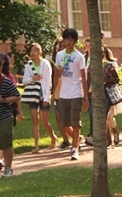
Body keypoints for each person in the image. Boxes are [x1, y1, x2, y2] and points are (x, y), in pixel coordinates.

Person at [55, 29, 89, 160]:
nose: (68, 42)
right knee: (64, 123)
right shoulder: (59, 55)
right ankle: (77, 138)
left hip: (76, 92)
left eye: (70, 39)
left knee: (75, 123)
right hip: (63, 93)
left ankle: (75, 149)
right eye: (66, 39)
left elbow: (83, 78)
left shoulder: (79, 57)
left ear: (75, 41)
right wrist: (59, 71)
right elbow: (57, 75)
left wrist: (85, 97)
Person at [23, 43, 57, 153]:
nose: (32, 53)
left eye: (35, 50)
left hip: (43, 94)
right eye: (31, 51)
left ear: (39, 52)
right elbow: (24, 81)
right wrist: (32, 78)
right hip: (33, 95)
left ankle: (53, 136)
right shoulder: (28, 65)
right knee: (34, 120)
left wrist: (47, 98)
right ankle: (36, 145)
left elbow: (48, 82)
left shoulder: (45, 64)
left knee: (44, 121)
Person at [0, 53, 23, 170]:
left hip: (5, 117)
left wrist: (3, 99)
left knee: (6, 143)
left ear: (0, 67)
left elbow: (17, 96)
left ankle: (8, 168)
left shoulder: (5, 81)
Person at [52, 38, 73, 149]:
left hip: (70, 91)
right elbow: (55, 77)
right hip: (59, 91)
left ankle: (76, 139)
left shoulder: (72, 59)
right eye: (59, 47)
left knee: (67, 118)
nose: (61, 49)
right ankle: (66, 139)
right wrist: (54, 91)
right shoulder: (57, 59)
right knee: (58, 116)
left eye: (63, 46)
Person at [102, 45, 121, 146]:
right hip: (100, 94)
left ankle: (115, 131)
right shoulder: (95, 65)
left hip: (110, 94)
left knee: (109, 116)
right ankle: (108, 140)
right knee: (104, 118)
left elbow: (117, 79)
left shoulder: (111, 65)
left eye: (103, 53)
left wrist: (106, 80)